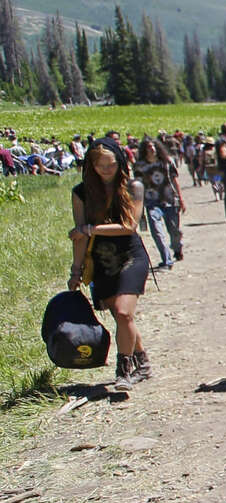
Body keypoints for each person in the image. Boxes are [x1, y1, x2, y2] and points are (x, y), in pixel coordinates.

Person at [67, 138, 153, 393]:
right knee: (120, 316)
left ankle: (123, 370)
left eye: (111, 164)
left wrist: (90, 229)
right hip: (101, 261)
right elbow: (79, 238)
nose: (106, 170)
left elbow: (129, 226)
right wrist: (76, 270)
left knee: (124, 312)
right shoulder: (81, 193)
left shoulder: (132, 187)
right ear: (91, 165)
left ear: (120, 162)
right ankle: (143, 362)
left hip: (131, 256)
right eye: (100, 165)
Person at [134, 138, 186, 268]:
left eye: (153, 147)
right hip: (151, 202)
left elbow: (175, 181)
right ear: (144, 150)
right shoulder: (140, 166)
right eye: (149, 147)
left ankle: (177, 249)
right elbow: (138, 186)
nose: (152, 149)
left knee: (174, 230)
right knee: (157, 231)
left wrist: (181, 199)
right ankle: (166, 259)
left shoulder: (167, 162)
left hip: (170, 200)